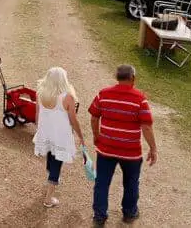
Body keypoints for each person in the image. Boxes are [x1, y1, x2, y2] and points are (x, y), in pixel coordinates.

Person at [88, 65, 157, 226]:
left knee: (102, 182)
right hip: (130, 152)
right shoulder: (140, 98)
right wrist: (153, 148)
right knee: (131, 182)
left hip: (106, 149)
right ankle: (129, 213)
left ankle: (99, 216)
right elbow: (146, 126)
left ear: (117, 77)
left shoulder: (103, 94)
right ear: (133, 78)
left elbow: (94, 117)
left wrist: (96, 136)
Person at [33, 67, 86, 208]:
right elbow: (73, 120)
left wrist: (39, 130)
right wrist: (81, 136)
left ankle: (51, 176)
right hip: (60, 136)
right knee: (57, 163)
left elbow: (37, 115)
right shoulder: (68, 97)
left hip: (46, 133)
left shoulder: (41, 93)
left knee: (50, 156)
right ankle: (48, 198)